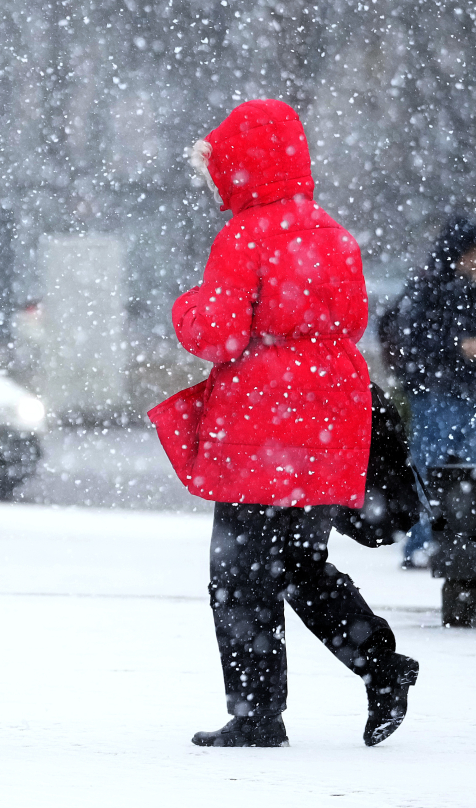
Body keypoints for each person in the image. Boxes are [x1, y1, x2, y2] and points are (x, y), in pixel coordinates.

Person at [149, 99, 419, 748]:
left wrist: (185, 306)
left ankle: (257, 713)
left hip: (261, 427)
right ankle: (381, 664)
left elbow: (216, 333)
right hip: (331, 415)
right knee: (302, 564)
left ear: (240, 165)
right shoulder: (332, 232)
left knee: (239, 574)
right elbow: (351, 323)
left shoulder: (244, 235)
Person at [383, 216, 476, 567]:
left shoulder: (430, 288)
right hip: (436, 394)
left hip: (449, 391)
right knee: (435, 469)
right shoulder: (430, 289)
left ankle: (449, 546)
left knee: (446, 472)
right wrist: (458, 347)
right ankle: (426, 544)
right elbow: (415, 340)